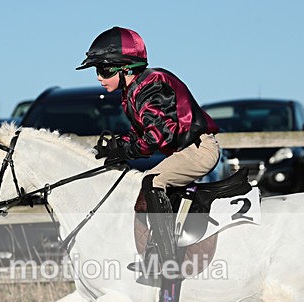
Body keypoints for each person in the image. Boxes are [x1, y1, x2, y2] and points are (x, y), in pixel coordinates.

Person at [76, 26, 220, 278]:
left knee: (152, 181)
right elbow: (145, 132)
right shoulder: (133, 91)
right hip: (184, 151)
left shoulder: (151, 85)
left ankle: (165, 260)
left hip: (198, 150)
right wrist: (119, 145)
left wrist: (126, 150)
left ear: (125, 69)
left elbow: (158, 134)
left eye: (103, 70)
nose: (98, 77)